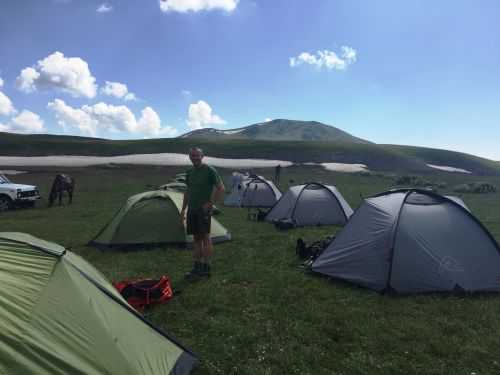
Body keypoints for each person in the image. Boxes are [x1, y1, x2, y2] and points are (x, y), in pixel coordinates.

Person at [181, 147, 225, 279]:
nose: (194, 158)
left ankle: (206, 267)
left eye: (197, 155)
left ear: (202, 156)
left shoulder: (209, 170)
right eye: (192, 155)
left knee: (205, 238)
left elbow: (221, 188)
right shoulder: (189, 172)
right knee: (196, 239)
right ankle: (197, 267)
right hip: (192, 209)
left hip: (203, 210)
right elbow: (188, 191)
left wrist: (210, 203)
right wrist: (183, 209)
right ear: (189, 157)